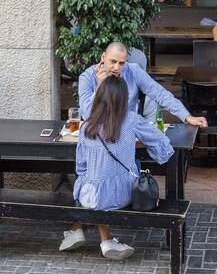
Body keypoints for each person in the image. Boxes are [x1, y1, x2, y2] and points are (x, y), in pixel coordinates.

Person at [59, 74, 176, 261]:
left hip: (88, 194)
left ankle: (77, 230)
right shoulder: (131, 120)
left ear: (99, 97)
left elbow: (80, 167)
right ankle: (106, 241)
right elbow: (161, 142)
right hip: (122, 194)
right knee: (112, 185)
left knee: (96, 189)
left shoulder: (86, 126)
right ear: (124, 98)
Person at [77, 42, 207, 130]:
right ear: (103, 57)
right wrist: (100, 86)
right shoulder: (87, 77)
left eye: (121, 63)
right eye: (113, 61)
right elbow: (86, 114)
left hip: (127, 132)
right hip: (98, 134)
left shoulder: (132, 70)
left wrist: (187, 116)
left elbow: (159, 93)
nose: (117, 67)